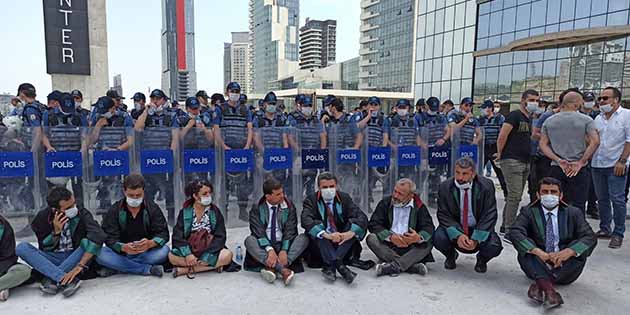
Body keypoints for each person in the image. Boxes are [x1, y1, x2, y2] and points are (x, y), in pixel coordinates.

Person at [507, 177, 597, 308]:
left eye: (553, 192)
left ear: (561, 195)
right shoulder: (529, 211)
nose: (549, 195)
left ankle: (540, 284)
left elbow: (589, 236)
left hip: (565, 266)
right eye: (545, 191)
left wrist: (568, 252)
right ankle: (550, 292)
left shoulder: (573, 212)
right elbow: (515, 232)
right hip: (538, 260)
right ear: (538, 195)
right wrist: (539, 253)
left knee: (577, 247)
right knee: (528, 247)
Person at [16, 187, 106, 297]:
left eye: (73, 204)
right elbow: (44, 248)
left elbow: (98, 234)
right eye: (68, 207)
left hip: (74, 257)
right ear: (55, 209)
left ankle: (51, 279)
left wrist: (81, 265)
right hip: (52, 258)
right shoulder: (42, 218)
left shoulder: (81, 212)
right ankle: (66, 280)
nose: (73, 208)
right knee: (22, 248)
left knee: (87, 242)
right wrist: (56, 233)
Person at [434, 157, 503, 273]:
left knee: (494, 245)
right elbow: (443, 214)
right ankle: (451, 256)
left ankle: (482, 259)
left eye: (465, 174)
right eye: (457, 173)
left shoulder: (486, 186)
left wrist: (476, 238)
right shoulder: (445, 187)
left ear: (473, 174)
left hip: (477, 227)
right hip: (457, 227)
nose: (460, 178)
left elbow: (489, 213)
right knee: (438, 237)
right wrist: (458, 235)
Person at [96, 174, 170, 277]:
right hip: (122, 253)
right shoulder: (115, 209)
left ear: (143, 191)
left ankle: (120, 267)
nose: (135, 198)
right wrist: (123, 247)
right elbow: (108, 237)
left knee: (165, 251)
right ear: (124, 191)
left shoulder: (152, 208)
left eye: (138, 195)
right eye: (131, 195)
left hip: (145, 253)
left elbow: (164, 234)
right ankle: (146, 269)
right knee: (100, 254)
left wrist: (150, 243)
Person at [301, 172, 368, 284]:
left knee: (353, 227)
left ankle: (330, 266)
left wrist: (349, 233)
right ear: (319, 188)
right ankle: (340, 266)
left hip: (341, 240)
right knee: (317, 231)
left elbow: (361, 217)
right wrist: (326, 234)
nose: (329, 189)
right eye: (325, 187)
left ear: (336, 186)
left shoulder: (344, 198)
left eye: (331, 186)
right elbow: (306, 220)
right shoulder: (311, 200)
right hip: (322, 243)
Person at [539, 91, 600, 213]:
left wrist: (557, 159)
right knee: (579, 204)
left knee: (558, 203)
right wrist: (582, 161)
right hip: (578, 168)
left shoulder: (550, 121)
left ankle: (559, 230)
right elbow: (595, 142)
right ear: (577, 104)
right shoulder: (586, 120)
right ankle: (577, 230)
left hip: (557, 167)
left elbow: (542, 144)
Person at [244, 178, 309, 285]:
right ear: (268, 196)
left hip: (284, 243)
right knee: (249, 240)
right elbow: (257, 231)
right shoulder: (257, 208)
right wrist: (269, 249)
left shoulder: (289, 206)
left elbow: (290, 230)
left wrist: (284, 249)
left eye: (282, 192)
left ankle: (271, 267)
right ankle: (282, 269)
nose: (282, 196)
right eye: (278, 194)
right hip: (265, 244)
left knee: (303, 238)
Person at [367, 178, 434, 277]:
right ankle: (410, 266)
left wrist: (417, 237)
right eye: (395, 191)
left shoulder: (419, 207)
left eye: (400, 194)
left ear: (411, 196)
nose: (395, 196)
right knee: (371, 238)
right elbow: (373, 224)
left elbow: (429, 227)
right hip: (389, 246)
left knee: (429, 242)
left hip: (411, 246)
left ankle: (394, 266)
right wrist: (390, 237)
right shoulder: (385, 203)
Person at [169, 180, 233, 278]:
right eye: (205, 193)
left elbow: (220, 237)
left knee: (227, 255)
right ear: (195, 196)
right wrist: (188, 254)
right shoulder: (185, 212)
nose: (209, 196)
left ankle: (184, 270)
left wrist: (208, 256)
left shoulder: (215, 212)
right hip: (190, 250)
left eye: (210, 193)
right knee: (171, 256)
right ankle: (213, 267)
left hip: (209, 249)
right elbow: (177, 236)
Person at [495, 89, 539, 233]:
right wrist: (500, 154)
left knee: (515, 196)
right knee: (514, 196)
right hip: (512, 160)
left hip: (525, 161)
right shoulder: (514, 115)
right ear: (523, 100)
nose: (534, 103)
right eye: (531, 100)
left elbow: (530, 136)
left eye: (536, 100)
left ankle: (505, 225)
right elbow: (502, 136)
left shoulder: (529, 118)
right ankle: (509, 228)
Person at [591, 87, 630, 249]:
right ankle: (605, 228)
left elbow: (629, 140)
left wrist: (622, 161)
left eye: (605, 98)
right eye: (600, 98)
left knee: (618, 199)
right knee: (602, 199)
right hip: (597, 164)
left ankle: (618, 233)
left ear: (616, 100)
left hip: (616, 165)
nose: (601, 101)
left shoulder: (626, 115)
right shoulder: (597, 119)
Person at [134, 89, 180, 222]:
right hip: (149, 158)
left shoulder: (171, 115)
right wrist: (145, 112)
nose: (155, 101)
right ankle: (150, 216)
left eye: (158, 98)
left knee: (169, 189)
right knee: (149, 189)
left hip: (165, 156)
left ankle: (171, 216)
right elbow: (137, 128)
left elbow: (175, 137)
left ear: (164, 100)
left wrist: (171, 155)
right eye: (153, 98)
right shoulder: (146, 115)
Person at [213, 82, 255, 222]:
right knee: (224, 182)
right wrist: (223, 146)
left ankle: (243, 211)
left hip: (241, 150)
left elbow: (250, 128)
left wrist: (247, 145)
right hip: (225, 150)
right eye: (232, 91)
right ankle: (223, 212)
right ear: (227, 92)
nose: (235, 93)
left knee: (243, 183)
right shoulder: (220, 108)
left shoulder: (245, 109)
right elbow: (216, 129)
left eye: (237, 91)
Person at [42, 91, 88, 209]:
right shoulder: (49, 115)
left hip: (75, 156)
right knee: (56, 191)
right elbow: (44, 134)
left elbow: (84, 136)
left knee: (78, 189)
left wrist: (82, 151)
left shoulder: (79, 116)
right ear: (58, 104)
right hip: (56, 156)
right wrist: (48, 147)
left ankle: (79, 214)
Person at [89, 96, 134, 212]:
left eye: (105, 111)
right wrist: (98, 126)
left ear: (113, 109)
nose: (101, 113)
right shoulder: (97, 117)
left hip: (119, 157)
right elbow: (91, 141)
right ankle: (105, 213)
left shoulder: (124, 118)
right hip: (102, 158)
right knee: (104, 188)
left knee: (119, 188)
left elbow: (130, 140)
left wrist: (117, 150)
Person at [252, 92, 290, 208]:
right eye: (269, 103)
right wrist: (265, 153)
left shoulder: (281, 118)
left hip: (278, 155)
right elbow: (256, 137)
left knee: (279, 182)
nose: (272, 106)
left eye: (274, 103)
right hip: (263, 155)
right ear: (264, 104)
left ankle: (280, 206)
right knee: (264, 184)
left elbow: (285, 137)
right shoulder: (258, 118)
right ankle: (263, 206)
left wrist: (285, 153)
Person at [288, 95, 327, 198]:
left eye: (310, 105)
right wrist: (299, 150)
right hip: (299, 156)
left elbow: (322, 136)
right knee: (296, 186)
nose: (308, 108)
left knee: (311, 185)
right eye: (305, 105)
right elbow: (290, 137)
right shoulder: (293, 118)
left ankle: (309, 209)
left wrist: (321, 153)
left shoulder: (316, 120)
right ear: (299, 106)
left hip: (313, 156)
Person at [357, 96, 391, 211]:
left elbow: (385, 135)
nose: (373, 107)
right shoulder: (362, 116)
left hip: (377, 152)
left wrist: (382, 150)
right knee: (365, 179)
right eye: (371, 104)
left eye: (375, 105)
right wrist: (368, 116)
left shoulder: (384, 119)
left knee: (379, 179)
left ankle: (383, 204)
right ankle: (366, 202)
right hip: (364, 152)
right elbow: (358, 127)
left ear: (379, 106)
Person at [479, 100, 507, 197]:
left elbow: (503, 133)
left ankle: (506, 194)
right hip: (484, 147)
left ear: (490, 108)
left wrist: (500, 149)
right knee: (478, 169)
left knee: (500, 172)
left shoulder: (500, 118)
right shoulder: (481, 119)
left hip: (495, 147)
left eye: (484, 108)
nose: (482, 110)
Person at [0, 215, 31, 301]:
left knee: (24, 271)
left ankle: (5, 284)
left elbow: (8, 256)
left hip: (3, 266)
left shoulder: (4, 226)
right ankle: (5, 284)